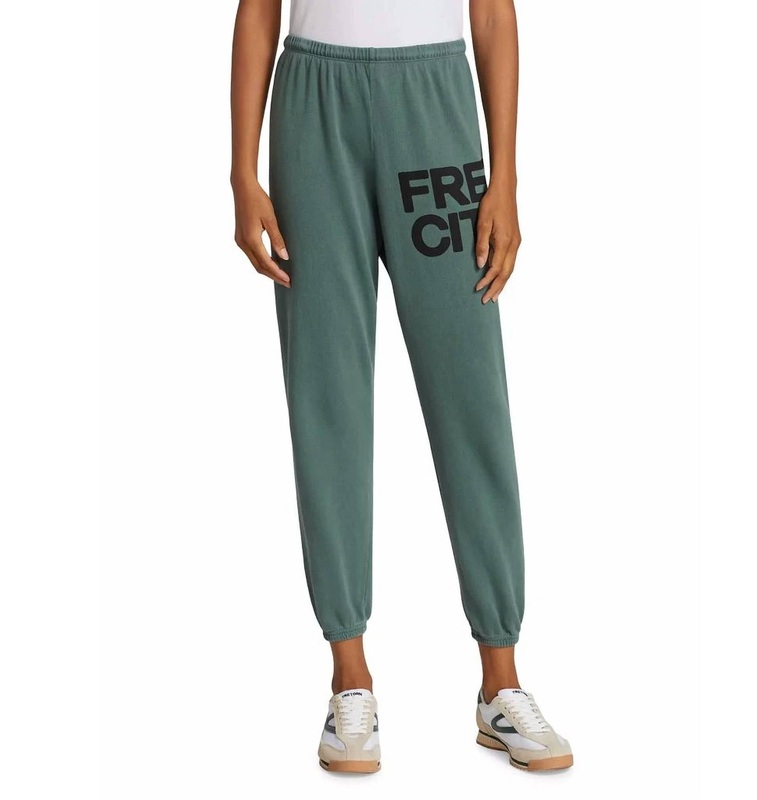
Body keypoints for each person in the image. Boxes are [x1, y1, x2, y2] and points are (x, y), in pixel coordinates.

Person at [230, 0, 572, 773]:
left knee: (470, 392)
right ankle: (349, 677)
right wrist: (242, 173)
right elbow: (258, 9)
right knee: (326, 392)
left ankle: (500, 681)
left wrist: (506, 177)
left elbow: (492, 13)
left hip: (433, 101)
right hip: (313, 104)